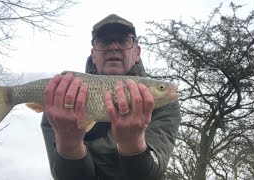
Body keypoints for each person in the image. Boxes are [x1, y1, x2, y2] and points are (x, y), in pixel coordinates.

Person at [41, 14, 181, 180]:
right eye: (104, 41)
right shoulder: (61, 99)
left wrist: (133, 143)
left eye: (123, 40)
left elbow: (152, 175)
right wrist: (69, 144)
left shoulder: (165, 104)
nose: (113, 47)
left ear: (137, 52)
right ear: (94, 55)